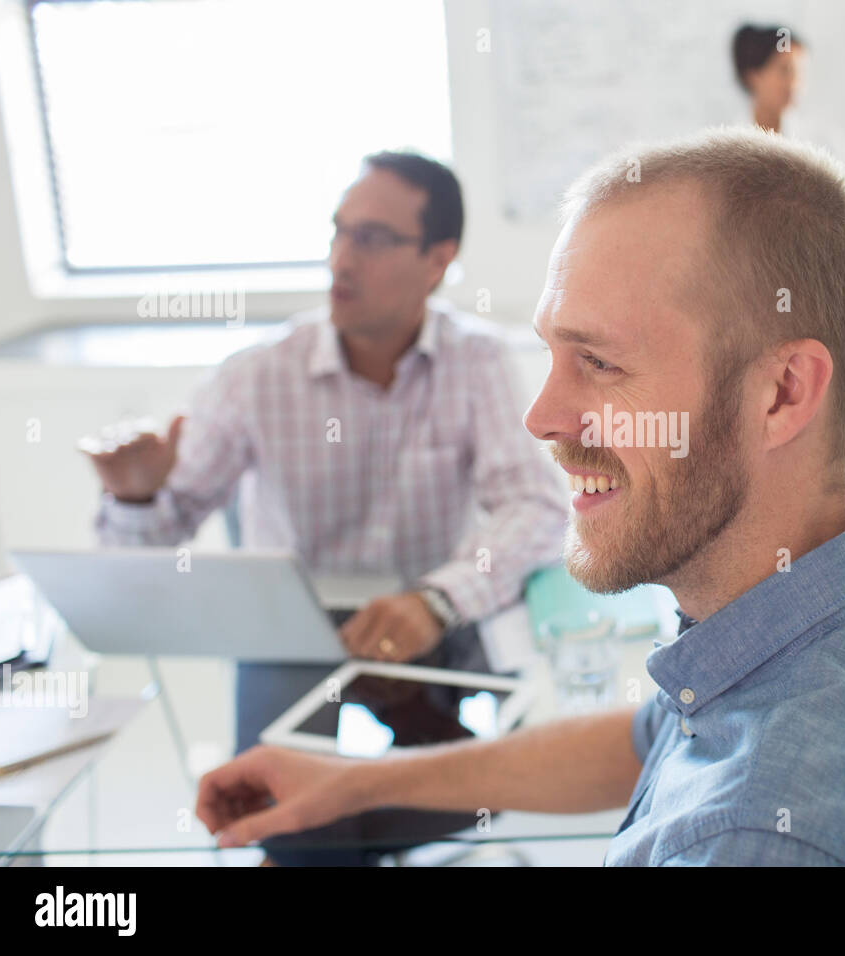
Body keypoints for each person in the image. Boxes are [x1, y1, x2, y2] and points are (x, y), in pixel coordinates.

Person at [196, 127, 845, 866]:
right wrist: (349, 785)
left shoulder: (760, 840)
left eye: (599, 364)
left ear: (783, 393)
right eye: (555, 356)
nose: (542, 417)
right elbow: (652, 740)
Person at [86, 151, 568, 862]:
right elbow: (141, 561)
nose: (342, 259)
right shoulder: (256, 375)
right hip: (294, 626)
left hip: (429, 619)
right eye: (338, 233)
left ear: (439, 258)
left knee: (485, 789)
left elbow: (534, 508)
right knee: (287, 820)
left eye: (371, 239)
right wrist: (138, 493)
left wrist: (436, 599)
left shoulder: (478, 362)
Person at [731, 23, 806, 136]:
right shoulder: (727, 139)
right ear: (753, 76)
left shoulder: (821, 140)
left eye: (797, 72)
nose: (794, 83)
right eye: (785, 70)